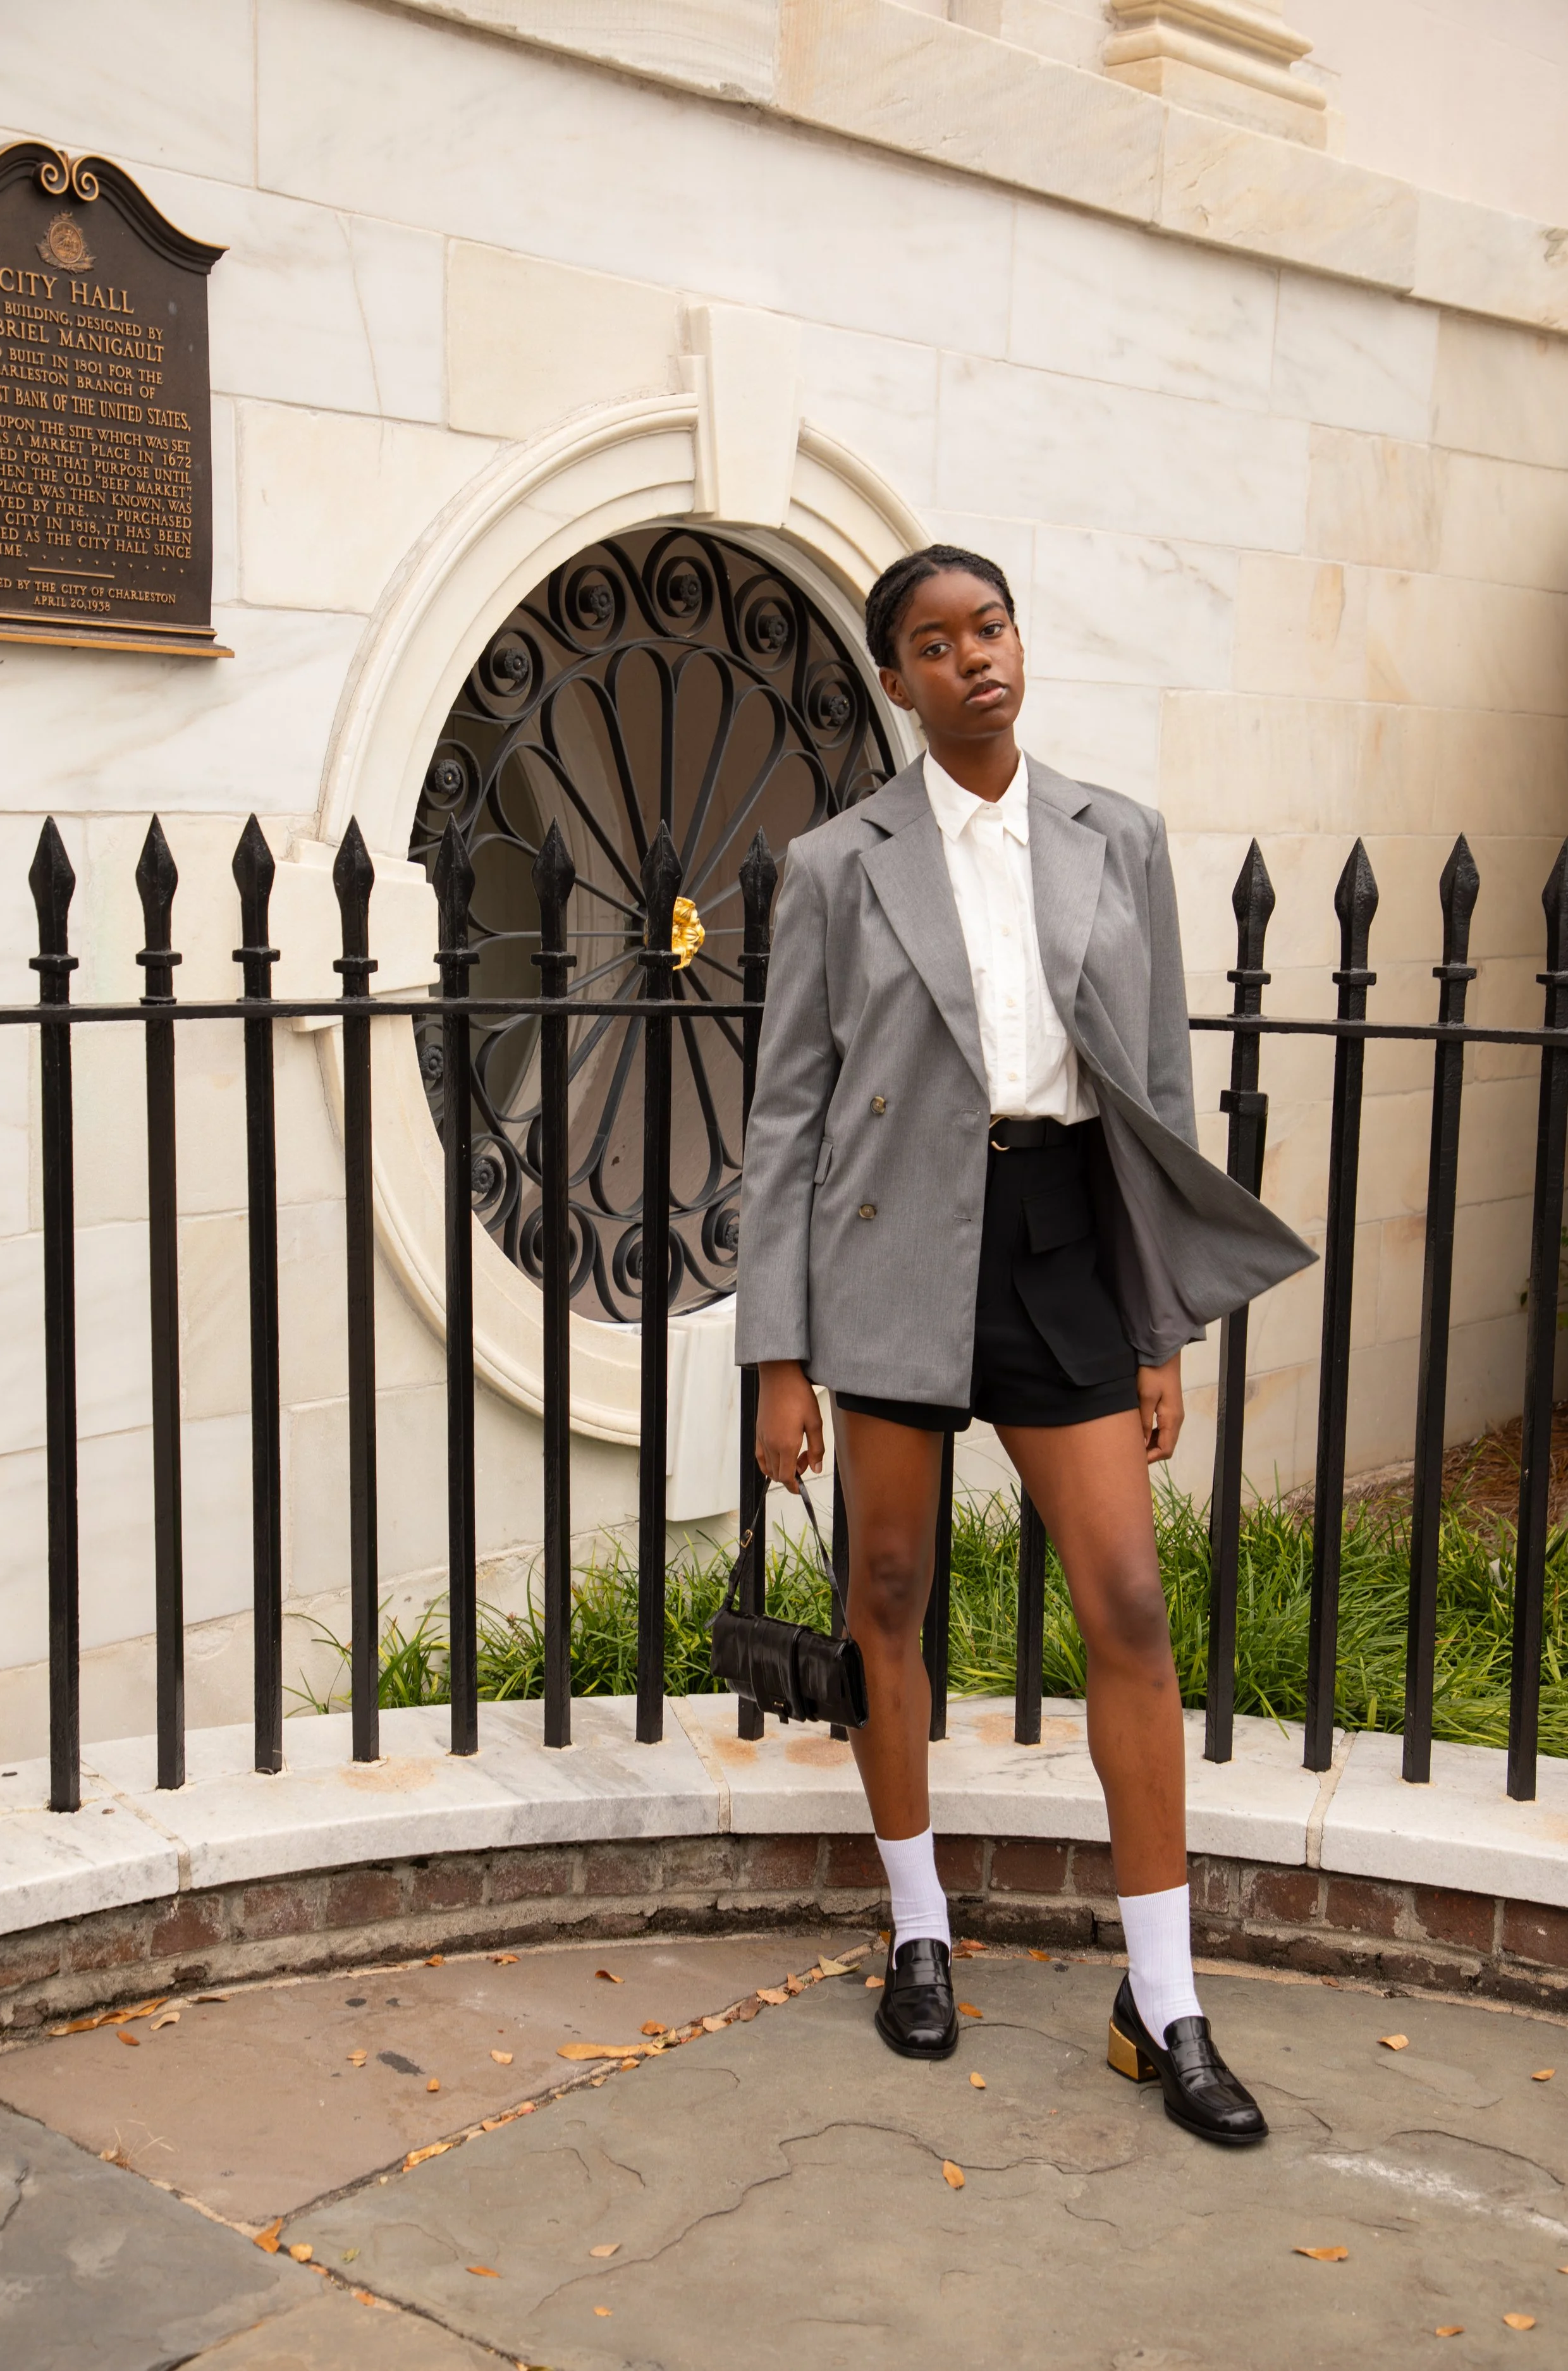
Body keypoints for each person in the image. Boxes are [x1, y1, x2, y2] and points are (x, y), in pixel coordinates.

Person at [734, 545, 1313, 2145]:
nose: (973, 659)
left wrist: (1154, 1326)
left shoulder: (1114, 837)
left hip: (1063, 1244)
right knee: (891, 1594)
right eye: (934, 643)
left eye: (988, 627)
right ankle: (917, 1925)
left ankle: (1164, 1999)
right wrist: (777, 1359)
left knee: (1125, 1597)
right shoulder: (837, 863)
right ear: (898, 678)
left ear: (1014, 643)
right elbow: (782, 1122)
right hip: (892, 1259)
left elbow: (1155, 1096)